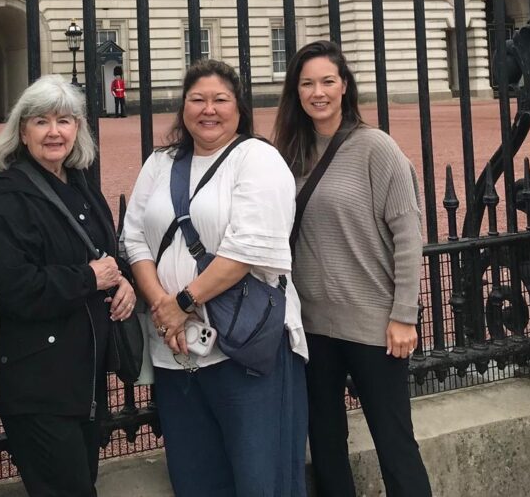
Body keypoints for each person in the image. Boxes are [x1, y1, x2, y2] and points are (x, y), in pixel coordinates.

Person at [122, 58, 309, 497]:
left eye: (220, 100)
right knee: (196, 479)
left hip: (245, 346)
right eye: (197, 99)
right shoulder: (161, 162)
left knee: (262, 479)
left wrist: (180, 304)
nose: (209, 109)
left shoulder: (258, 158)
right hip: (176, 347)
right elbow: (134, 239)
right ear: (183, 108)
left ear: (239, 107)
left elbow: (248, 248)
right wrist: (164, 308)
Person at [273, 40, 432, 497]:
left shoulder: (376, 148)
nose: (317, 92)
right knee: (325, 445)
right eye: (307, 83)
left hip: (373, 324)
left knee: (395, 445)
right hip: (312, 327)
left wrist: (404, 315)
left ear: (344, 86)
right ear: (296, 91)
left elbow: (408, 236)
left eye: (327, 81)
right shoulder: (290, 155)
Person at [0, 74, 136, 497]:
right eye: (41, 121)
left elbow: (105, 253)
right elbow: (15, 287)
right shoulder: (8, 197)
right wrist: (90, 278)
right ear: (22, 132)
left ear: (77, 128)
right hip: (38, 382)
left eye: (64, 121)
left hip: (83, 375)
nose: (54, 132)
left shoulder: (79, 183)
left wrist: (122, 279)